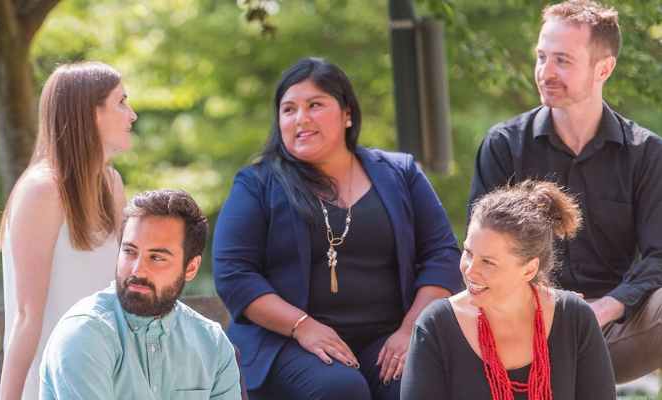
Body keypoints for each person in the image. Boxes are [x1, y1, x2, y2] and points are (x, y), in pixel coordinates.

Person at [212, 57, 463, 400]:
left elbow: (442, 254)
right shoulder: (257, 184)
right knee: (341, 389)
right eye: (289, 109)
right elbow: (234, 273)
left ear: (347, 114)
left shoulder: (400, 172)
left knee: (417, 384)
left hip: (388, 338)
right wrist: (303, 326)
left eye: (315, 105)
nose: (301, 118)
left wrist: (412, 331)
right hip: (289, 341)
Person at [468, 0, 662, 383]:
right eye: (542, 57)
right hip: (524, 330)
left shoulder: (647, 154)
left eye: (562, 61)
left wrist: (607, 307)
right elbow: (483, 253)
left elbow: (660, 255)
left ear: (603, 68)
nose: (545, 72)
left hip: (611, 332)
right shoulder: (504, 146)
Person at [404, 180, 615, 399]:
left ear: (529, 269)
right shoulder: (436, 326)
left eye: (488, 262)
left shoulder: (575, 319)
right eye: (468, 252)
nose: (470, 270)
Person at [0, 61, 135, 400]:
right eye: (121, 102)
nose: (131, 114)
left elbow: (121, 293)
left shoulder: (111, 182)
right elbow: (26, 315)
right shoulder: (41, 190)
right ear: (90, 113)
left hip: (108, 376)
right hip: (55, 384)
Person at [40, 189, 242, 399]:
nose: (137, 270)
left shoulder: (213, 344)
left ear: (190, 268)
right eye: (130, 252)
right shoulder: (84, 334)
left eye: (156, 257)